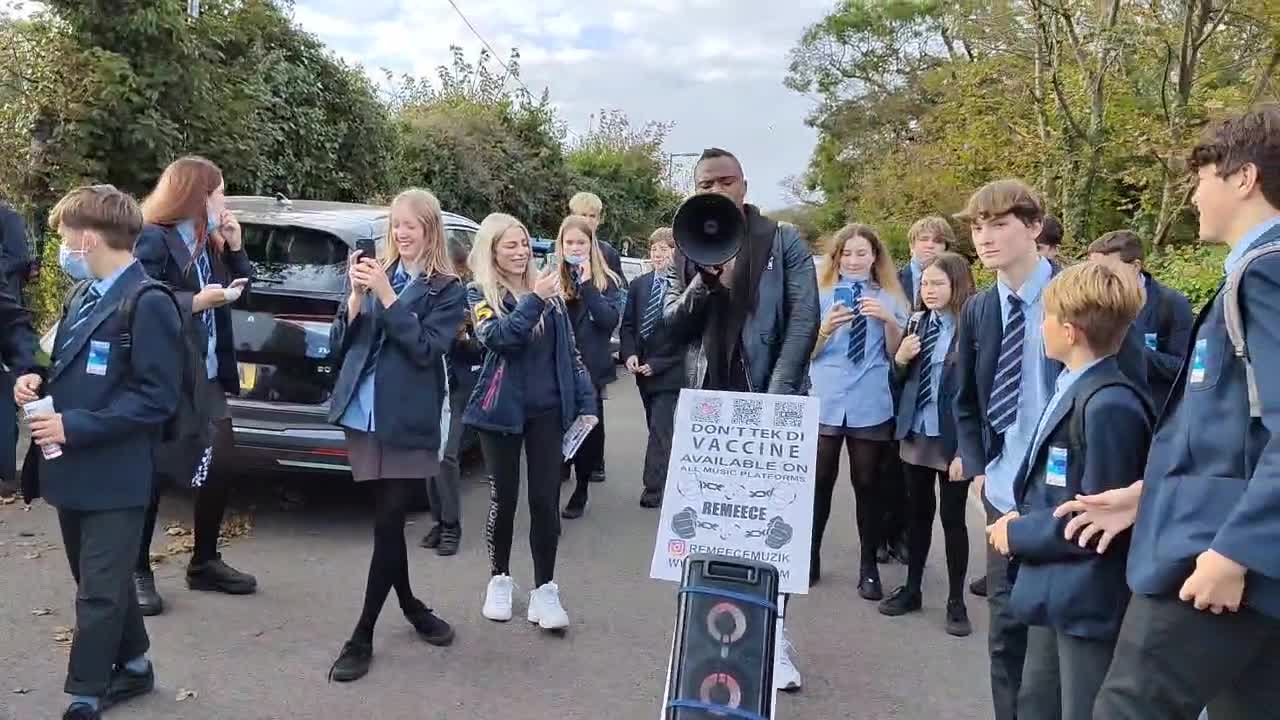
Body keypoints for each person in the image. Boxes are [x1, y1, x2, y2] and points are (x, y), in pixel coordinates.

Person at [1066, 106, 1280, 719]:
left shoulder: (1264, 275)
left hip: (1216, 563)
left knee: (1130, 707)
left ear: (1243, 179)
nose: (1192, 195)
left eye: (1202, 176)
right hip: (1233, 553)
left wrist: (1236, 550)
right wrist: (1149, 493)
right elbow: (1234, 437)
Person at [952, 179, 1147, 720]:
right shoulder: (979, 308)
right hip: (1005, 489)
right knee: (1006, 634)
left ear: (1035, 228)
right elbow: (964, 395)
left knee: (1058, 645)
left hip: (1069, 499)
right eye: (976, 225)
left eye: (999, 223)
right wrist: (979, 466)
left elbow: (1127, 393)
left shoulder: (1083, 297)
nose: (984, 237)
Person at [17, 185, 183, 720]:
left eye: (66, 236)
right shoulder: (81, 296)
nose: (63, 246)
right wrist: (32, 377)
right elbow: (56, 357)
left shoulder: (148, 301)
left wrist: (76, 425)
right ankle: (134, 665)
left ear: (88, 239)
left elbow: (157, 398)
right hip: (70, 469)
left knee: (97, 594)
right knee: (98, 583)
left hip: (117, 475)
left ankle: (85, 692)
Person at [661, 147, 819, 691]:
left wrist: (774, 402)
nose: (717, 189)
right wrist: (704, 281)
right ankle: (711, 633)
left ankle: (774, 635)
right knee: (712, 527)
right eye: (706, 182)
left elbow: (804, 320)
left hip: (769, 404)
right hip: (710, 404)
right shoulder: (688, 240)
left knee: (774, 531)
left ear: (744, 186)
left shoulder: (783, 240)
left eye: (726, 180)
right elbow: (668, 329)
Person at [985, 262, 1152, 720]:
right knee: (1037, 703)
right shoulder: (1073, 386)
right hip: (1054, 594)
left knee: (1079, 707)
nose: (1039, 326)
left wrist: (1017, 533)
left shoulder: (1110, 404)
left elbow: (1097, 521)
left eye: (1045, 317)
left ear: (1070, 330)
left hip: (1087, 604)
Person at [325, 189, 462, 682]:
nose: (401, 234)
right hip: (363, 413)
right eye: (396, 225)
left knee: (388, 521)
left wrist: (386, 296)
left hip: (407, 420)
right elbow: (342, 345)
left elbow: (428, 351)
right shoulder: (378, 272)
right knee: (386, 522)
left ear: (430, 230)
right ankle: (410, 604)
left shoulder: (447, 287)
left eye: (412, 225)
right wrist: (357, 301)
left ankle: (360, 636)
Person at [133, 156, 257, 615]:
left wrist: (237, 247)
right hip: (167, 371)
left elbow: (246, 288)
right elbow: (140, 297)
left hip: (206, 372)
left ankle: (204, 561)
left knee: (221, 461)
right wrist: (194, 301)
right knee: (154, 470)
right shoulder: (153, 238)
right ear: (195, 194)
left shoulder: (208, 241)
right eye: (219, 191)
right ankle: (137, 569)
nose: (225, 199)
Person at [465, 213, 597, 633]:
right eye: (511, 246)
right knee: (504, 500)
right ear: (492, 251)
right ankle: (499, 578)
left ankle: (545, 588)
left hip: (547, 411)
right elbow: (499, 338)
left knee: (545, 502)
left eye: (524, 244)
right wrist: (534, 300)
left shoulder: (551, 294)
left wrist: (586, 401)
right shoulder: (480, 292)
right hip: (500, 412)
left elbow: (571, 354)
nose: (521, 252)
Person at [808, 223, 909, 600]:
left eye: (861, 253)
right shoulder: (819, 294)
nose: (853, 260)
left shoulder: (890, 296)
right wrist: (825, 329)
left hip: (870, 401)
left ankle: (868, 566)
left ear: (874, 257)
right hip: (826, 398)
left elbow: (898, 356)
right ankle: (810, 558)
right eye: (846, 253)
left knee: (868, 486)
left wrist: (887, 320)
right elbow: (806, 353)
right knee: (819, 484)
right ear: (837, 258)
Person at [878, 251, 975, 637]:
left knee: (953, 520)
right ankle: (913, 588)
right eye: (924, 283)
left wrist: (967, 449)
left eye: (938, 283)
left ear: (957, 285)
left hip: (952, 440)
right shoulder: (917, 322)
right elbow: (896, 382)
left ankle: (956, 600)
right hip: (917, 432)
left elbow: (980, 393)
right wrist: (899, 360)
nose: (929, 290)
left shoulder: (973, 327)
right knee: (916, 515)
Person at [881, 215, 956, 565]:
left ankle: (910, 542)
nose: (930, 245)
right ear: (911, 244)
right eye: (923, 239)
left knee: (918, 484)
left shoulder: (956, 296)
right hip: (887, 382)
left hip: (925, 399)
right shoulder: (890, 280)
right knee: (887, 473)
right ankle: (886, 534)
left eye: (937, 241)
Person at [420, 238, 486, 556]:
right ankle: (439, 520)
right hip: (429, 384)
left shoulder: (474, 296)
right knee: (430, 455)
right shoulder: (424, 293)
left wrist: (464, 338)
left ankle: (452, 527)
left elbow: (486, 346)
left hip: (460, 386)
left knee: (447, 455)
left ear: (461, 267)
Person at [557, 215, 623, 518]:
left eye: (580, 242)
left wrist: (587, 286)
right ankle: (558, 472)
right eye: (569, 242)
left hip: (590, 367)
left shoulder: (606, 279)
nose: (575, 247)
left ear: (591, 245)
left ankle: (581, 489)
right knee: (554, 427)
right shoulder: (551, 275)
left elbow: (610, 320)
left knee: (586, 432)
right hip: (556, 366)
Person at [1088, 230, 1195, 412]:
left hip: (1156, 416)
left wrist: (1131, 351)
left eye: (1107, 272)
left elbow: (1184, 368)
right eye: (1093, 272)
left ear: (1136, 266)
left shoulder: (1172, 304)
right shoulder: (1093, 302)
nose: (1099, 281)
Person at [618, 227, 682, 508]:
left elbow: (688, 337)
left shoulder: (684, 286)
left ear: (676, 253)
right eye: (654, 249)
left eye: (664, 249)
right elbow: (629, 325)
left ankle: (654, 488)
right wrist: (629, 354)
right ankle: (668, 467)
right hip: (641, 370)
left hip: (670, 371)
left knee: (659, 428)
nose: (658, 255)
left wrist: (657, 364)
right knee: (657, 428)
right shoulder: (639, 285)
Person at [568, 191, 624, 486]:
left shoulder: (607, 253)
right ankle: (565, 460)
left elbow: (613, 303)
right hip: (567, 346)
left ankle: (595, 462)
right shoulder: (560, 256)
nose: (586, 222)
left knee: (593, 406)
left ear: (599, 221)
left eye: (591, 217)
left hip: (594, 344)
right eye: (581, 215)